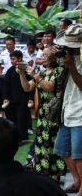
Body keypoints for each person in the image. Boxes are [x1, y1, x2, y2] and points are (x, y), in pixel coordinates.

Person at [20, 50, 65, 178]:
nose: (42, 57)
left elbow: (50, 87)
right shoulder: (41, 72)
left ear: (53, 56)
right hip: (43, 114)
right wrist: (22, 74)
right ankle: (45, 173)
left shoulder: (59, 71)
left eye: (45, 55)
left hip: (54, 113)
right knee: (42, 144)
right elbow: (27, 88)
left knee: (53, 143)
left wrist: (35, 75)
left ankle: (55, 174)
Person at [52, 25, 82, 196]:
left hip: (80, 114)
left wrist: (71, 65)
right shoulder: (68, 59)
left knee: (80, 156)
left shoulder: (76, 61)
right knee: (62, 149)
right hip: (67, 112)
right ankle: (77, 181)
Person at [1, 50, 30, 143]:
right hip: (11, 99)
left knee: (21, 119)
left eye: (13, 59)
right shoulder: (10, 71)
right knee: (11, 119)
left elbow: (31, 86)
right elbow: (5, 86)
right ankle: (13, 137)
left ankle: (22, 138)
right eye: (11, 59)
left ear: (20, 59)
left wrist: (31, 98)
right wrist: (5, 98)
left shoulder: (27, 70)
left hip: (23, 99)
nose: (11, 61)